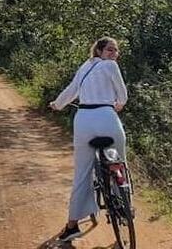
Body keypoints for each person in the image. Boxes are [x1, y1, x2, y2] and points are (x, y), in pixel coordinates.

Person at [48, 36, 128, 242]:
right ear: (99, 51)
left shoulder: (86, 66)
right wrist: (119, 103)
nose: (114, 54)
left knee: (82, 174)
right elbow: (123, 96)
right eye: (110, 50)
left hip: (83, 120)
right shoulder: (111, 66)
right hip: (108, 119)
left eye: (115, 51)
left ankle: (72, 226)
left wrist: (57, 105)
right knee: (118, 161)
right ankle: (124, 203)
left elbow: (72, 90)